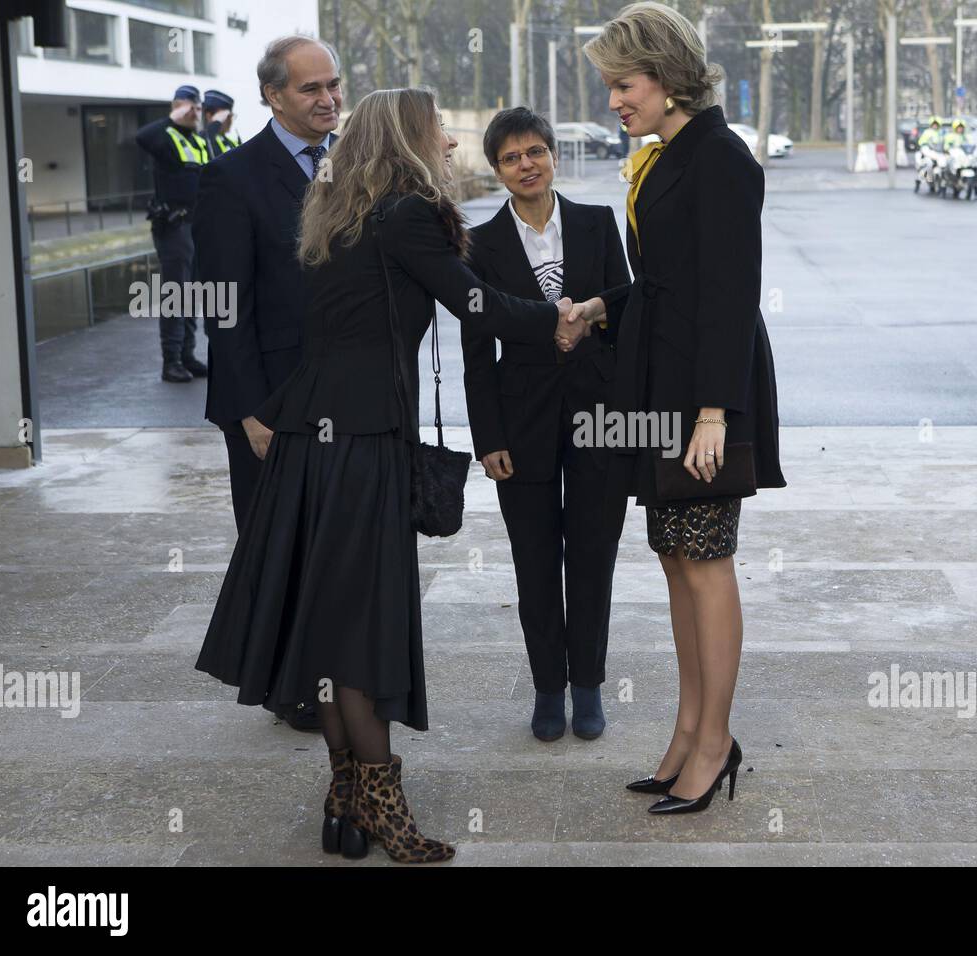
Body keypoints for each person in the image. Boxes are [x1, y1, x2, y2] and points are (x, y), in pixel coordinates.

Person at [195, 87, 586, 864]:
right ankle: (380, 805)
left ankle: (345, 806)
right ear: (410, 138)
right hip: (362, 442)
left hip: (315, 435)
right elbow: (476, 304)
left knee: (332, 627)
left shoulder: (339, 212)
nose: (448, 139)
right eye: (438, 127)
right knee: (361, 630)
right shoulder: (406, 214)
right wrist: (562, 318)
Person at [574, 1, 785, 815]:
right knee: (675, 560)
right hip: (662, 388)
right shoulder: (670, 154)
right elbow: (666, 285)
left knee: (705, 563)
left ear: (664, 76)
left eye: (623, 85)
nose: (616, 102)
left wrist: (712, 415)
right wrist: (600, 309)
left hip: (704, 397)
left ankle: (716, 742)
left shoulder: (722, 159)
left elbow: (729, 298)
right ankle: (689, 730)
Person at [461, 107, 631, 743]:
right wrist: (489, 439)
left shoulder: (596, 222)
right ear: (497, 170)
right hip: (521, 420)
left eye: (535, 151)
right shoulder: (478, 246)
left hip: (599, 415)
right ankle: (547, 688)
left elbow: (627, 302)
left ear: (554, 156)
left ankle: (587, 684)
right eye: (511, 158)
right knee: (534, 560)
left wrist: (592, 313)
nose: (525, 165)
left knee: (592, 552)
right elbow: (476, 350)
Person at [193, 35, 342, 733]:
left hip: (343, 395)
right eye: (311, 89)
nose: (328, 99)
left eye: (333, 85)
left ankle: (331, 670)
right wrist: (252, 412)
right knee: (276, 545)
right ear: (272, 96)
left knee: (331, 544)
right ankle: (290, 687)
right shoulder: (233, 178)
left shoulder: (352, 168)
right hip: (268, 400)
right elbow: (225, 308)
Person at [135, 84, 209, 383]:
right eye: (189, 107)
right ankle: (171, 361)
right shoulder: (165, 136)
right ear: (177, 106)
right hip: (175, 226)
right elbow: (142, 137)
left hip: (197, 225)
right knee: (175, 295)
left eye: (198, 108)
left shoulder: (198, 140)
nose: (195, 113)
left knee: (192, 294)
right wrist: (174, 117)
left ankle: (188, 355)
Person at [202, 89, 240, 159]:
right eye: (227, 116)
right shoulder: (202, 138)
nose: (230, 120)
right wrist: (216, 123)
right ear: (209, 115)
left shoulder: (230, 142)